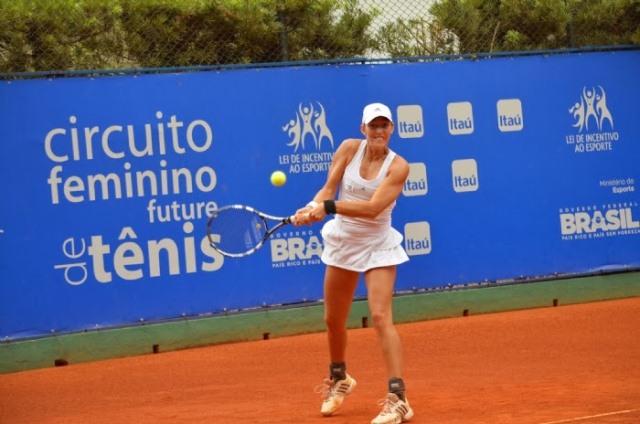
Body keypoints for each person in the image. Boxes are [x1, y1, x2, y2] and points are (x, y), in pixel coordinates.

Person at [294, 103, 414, 424]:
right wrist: (310, 207)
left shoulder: (399, 166)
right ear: (363, 128)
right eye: (372, 126)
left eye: (384, 125)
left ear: (392, 129)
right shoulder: (348, 149)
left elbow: (374, 208)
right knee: (333, 319)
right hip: (344, 242)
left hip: (378, 245)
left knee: (378, 315)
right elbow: (327, 189)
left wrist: (328, 208)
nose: (378, 131)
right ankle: (340, 379)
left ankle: (398, 399)